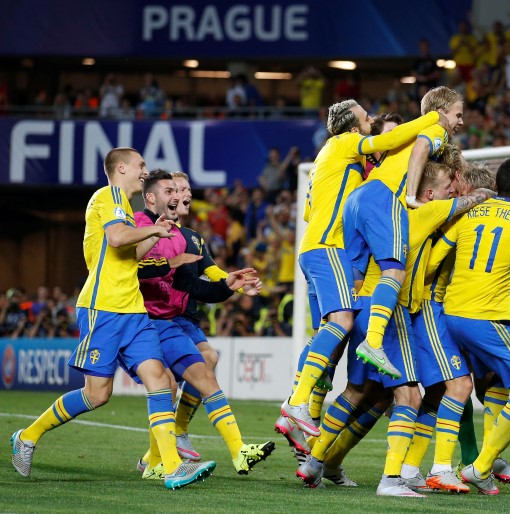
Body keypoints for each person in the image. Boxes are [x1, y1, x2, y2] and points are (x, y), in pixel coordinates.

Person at [10, 148, 215, 490]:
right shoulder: (107, 197)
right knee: (97, 394)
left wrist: (154, 232)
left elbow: (130, 254)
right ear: (121, 168)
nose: (144, 172)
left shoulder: (129, 211)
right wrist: (146, 232)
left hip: (133, 309)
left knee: (160, 378)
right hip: (102, 307)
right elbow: (117, 238)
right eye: (140, 166)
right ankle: (27, 436)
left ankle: (171, 466)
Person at [297, 158, 495, 497]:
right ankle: (393, 479)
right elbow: (469, 201)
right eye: (447, 187)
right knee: (410, 395)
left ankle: (314, 461)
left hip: (363, 306)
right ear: (429, 193)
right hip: (391, 312)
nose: (451, 192)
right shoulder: (424, 212)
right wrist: (494, 193)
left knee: (356, 392)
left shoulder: (392, 214)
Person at [283, 99, 443, 437]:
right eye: (366, 117)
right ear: (354, 128)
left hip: (315, 246)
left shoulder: (333, 161)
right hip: (328, 249)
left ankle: (301, 414)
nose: (370, 119)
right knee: (341, 323)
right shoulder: (344, 144)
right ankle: (298, 404)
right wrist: (432, 118)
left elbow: (312, 213)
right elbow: (384, 142)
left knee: (327, 336)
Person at [424, 157, 510, 495]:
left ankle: (448, 465)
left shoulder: (466, 215)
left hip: (448, 313)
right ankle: (481, 466)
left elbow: (435, 259)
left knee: (466, 388)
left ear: (495, 187)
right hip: (487, 317)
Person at [133, 170, 274, 478]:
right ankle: (165, 453)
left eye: (185, 191)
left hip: (176, 318)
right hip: (149, 320)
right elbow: (137, 269)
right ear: (157, 195)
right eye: (174, 189)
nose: (181, 195)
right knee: (159, 385)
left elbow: (208, 274)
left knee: (196, 372)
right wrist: (222, 284)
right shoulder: (141, 227)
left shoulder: (190, 237)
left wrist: (232, 284)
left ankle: (227, 452)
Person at [342, 87, 462, 386]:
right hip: (383, 199)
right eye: (458, 114)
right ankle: (373, 340)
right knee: (395, 269)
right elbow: (423, 147)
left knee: (357, 277)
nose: (460, 122)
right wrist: (410, 195)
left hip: (358, 199)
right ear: (442, 110)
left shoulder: (411, 134)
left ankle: (315, 380)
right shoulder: (436, 128)